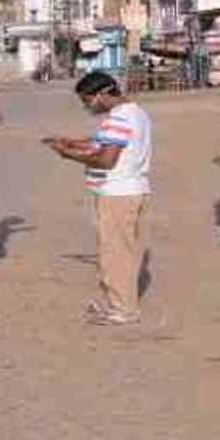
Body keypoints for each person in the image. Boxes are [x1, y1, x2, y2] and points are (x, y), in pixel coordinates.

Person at [45, 71, 153, 326]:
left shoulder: (118, 118)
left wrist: (67, 154)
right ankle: (123, 303)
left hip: (118, 192)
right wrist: (71, 143)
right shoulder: (135, 112)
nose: (87, 107)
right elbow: (104, 144)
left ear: (102, 94)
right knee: (123, 251)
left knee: (115, 254)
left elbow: (106, 159)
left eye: (87, 100)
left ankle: (123, 309)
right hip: (132, 189)